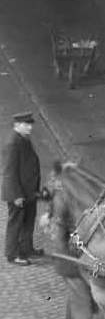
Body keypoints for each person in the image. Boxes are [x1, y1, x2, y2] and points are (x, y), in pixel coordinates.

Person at [4, 112, 43, 266]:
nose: (29, 127)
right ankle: (12, 255)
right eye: (26, 124)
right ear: (16, 125)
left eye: (30, 124)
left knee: (28, 221)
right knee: (16, 223)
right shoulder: (13, 143)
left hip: (28, 191)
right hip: (19, 193)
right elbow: (9, 172)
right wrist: (16, 195)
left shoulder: (23, 139)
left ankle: (27, 249)